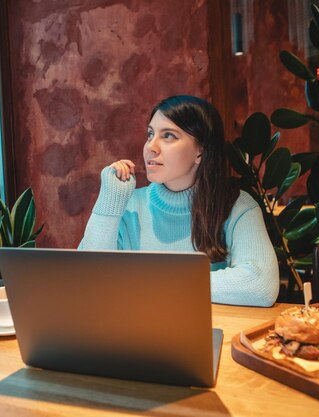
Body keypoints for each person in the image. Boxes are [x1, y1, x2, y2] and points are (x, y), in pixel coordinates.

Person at [79, 95, 279, 307]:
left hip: (211, 335)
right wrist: (108, 204)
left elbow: (261, 286)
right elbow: (85, 280)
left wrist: (153, 282)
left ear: (200, 152)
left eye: (168, 136)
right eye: (150, 134)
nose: (151, 147)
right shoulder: (128, 205)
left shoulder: (237, 206)